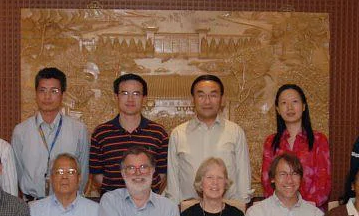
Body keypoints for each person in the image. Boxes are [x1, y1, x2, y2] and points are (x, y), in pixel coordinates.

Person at [166, 75, 251, 204]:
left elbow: (243, 175)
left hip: (227, 209)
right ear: (193, 100)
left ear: (222, 99)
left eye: (213, 95)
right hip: (188, 210)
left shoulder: (235, 132)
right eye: (201, 95)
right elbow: (172, 181)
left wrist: (241, 207)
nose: (207, 101)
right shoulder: (178, 134)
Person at [12, 67, 90, 200]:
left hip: (67, 203)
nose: (47, 97)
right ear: (36, 94)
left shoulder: (78, 130)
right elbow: (18, 172)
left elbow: (83, 171)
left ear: (62, 95)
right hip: (32, 204)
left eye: (54, 91)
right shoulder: (21, 131)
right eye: (42, 90)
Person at [90, 73, 168, 195]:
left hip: (148, 202)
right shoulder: (101, 133)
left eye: (136, 94)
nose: (130, 99)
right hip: (113, 203)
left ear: (144, 98)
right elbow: (97, 174)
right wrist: (116, 197)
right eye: (125, 93)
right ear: (116, 97)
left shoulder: (158, 132)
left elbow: (162, 174)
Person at [261, 84, 331, 208]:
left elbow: (323, 183)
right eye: (284, 103)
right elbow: (267, 181)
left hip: (311, 210)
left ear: (303, 106)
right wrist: (282, 208)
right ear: (277, 109)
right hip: (278, 212)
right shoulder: (271, 142)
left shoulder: (319, 140)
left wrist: (301, 208)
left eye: (294, 101)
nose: (290, 107)